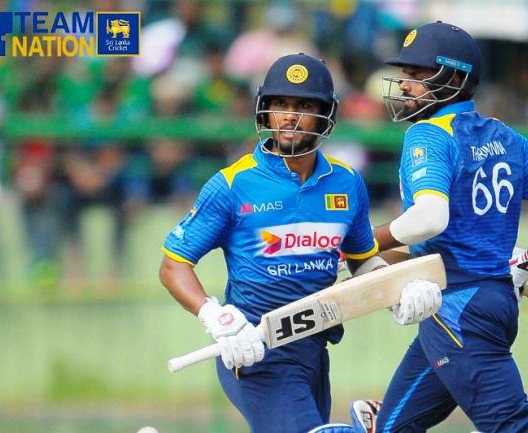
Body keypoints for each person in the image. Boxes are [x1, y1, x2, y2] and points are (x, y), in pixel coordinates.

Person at [159, 53, 441, 433]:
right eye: (280, 104)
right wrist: (216, 317)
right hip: (254, 349)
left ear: (326, 114)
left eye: (304, 106)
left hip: (313, 349)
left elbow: (362, 260)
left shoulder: (347, 182)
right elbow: (173, 265)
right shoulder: (232, 184)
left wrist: (399, 290)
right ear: (265, 111)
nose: (289, 116)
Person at [353, 22, 528, 433]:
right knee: (391, 427)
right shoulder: (508, 137)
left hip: (458, 309)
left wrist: (360, 241)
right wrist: (526, 265)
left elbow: (430, 219)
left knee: (514, 426)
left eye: (417, 74)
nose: (405, 84)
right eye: (405, 74)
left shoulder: (427, 134)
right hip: (486, 302)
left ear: (454, 78)